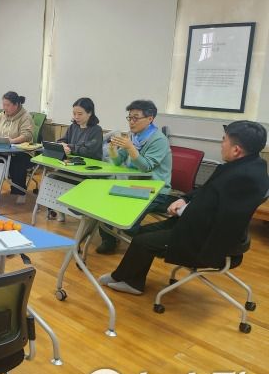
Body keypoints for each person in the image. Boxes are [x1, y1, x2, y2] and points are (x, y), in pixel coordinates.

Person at [99, 121, 269, 295]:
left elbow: (217, 214)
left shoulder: (243, 178)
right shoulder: (249, 165)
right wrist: (184, 199)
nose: (221, 144)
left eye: (224, 140)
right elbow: (207, 191)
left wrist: (181, 210)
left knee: (143, 241)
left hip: (208, 240)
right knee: (142, 233)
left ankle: (131, 283)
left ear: (236, 150)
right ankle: (124, 277)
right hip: (202, 225)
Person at [96, 100, 173, 254]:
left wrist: (131, 148)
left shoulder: (159, 140)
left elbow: (146, 167)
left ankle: (157, 240)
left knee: (128, 225)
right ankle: (109, 240)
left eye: (135, 118)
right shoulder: (134, 136)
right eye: (129, 117)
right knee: (104, 202)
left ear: (150, 118)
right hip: (132, 186)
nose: (131, 122)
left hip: (155, 189)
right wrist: (112, 150)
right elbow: (118, 161)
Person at [48, 97, 103, 221]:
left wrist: (70, 147)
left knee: (63, 180)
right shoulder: (73, 127)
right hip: (72, 166)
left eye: (80, 114)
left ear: (90, 113)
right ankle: (58, 209)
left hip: (88, 170)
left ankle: (76, 211)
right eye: (74, 113)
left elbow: (88, 151)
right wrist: (62, 145)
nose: (76, 117)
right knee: (52, 178)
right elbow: (61, 141)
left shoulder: (96, 130)